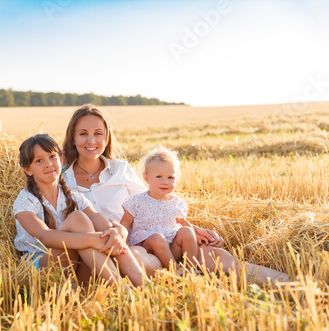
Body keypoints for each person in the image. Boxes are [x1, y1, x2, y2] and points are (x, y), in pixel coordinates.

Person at [62, 104, 289, 285]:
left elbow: (153, 201)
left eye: (98, 133)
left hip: (150, 242)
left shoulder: (120, 169)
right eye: (83, 134)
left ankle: (295, 285)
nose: (91, 141)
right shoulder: (62, 179)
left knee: (218, 257)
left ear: (107, 137)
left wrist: (194, 229)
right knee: (138, 259)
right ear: (73, 138)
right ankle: (183, 280)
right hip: (117, 251)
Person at [13, 133, 147, 287]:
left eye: (52, 156)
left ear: (61, 160)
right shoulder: (25, 201)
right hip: (42, 270)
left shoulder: (73, 196)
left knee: (96, 223)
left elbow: (99, 220)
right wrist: (93, 240)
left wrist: (119, 232)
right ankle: (121, 288)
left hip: (78, 269)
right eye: (39, 160)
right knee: (78, 218)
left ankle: (143, 284)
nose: (48, 164)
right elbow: (44, 237)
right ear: (28, 170)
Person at [120, 147, 205, 274]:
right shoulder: (137, 201)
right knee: (157, 238)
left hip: (170, 249)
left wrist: (195, 235)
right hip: (149, 248)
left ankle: (191, 270)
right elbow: (125, 224)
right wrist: (124, 243)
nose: (165, 182)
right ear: (146, 178)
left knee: (186, 231)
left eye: (170, 177)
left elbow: (183, 222)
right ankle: (177, 271)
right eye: (159, 177)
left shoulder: (176, 203)